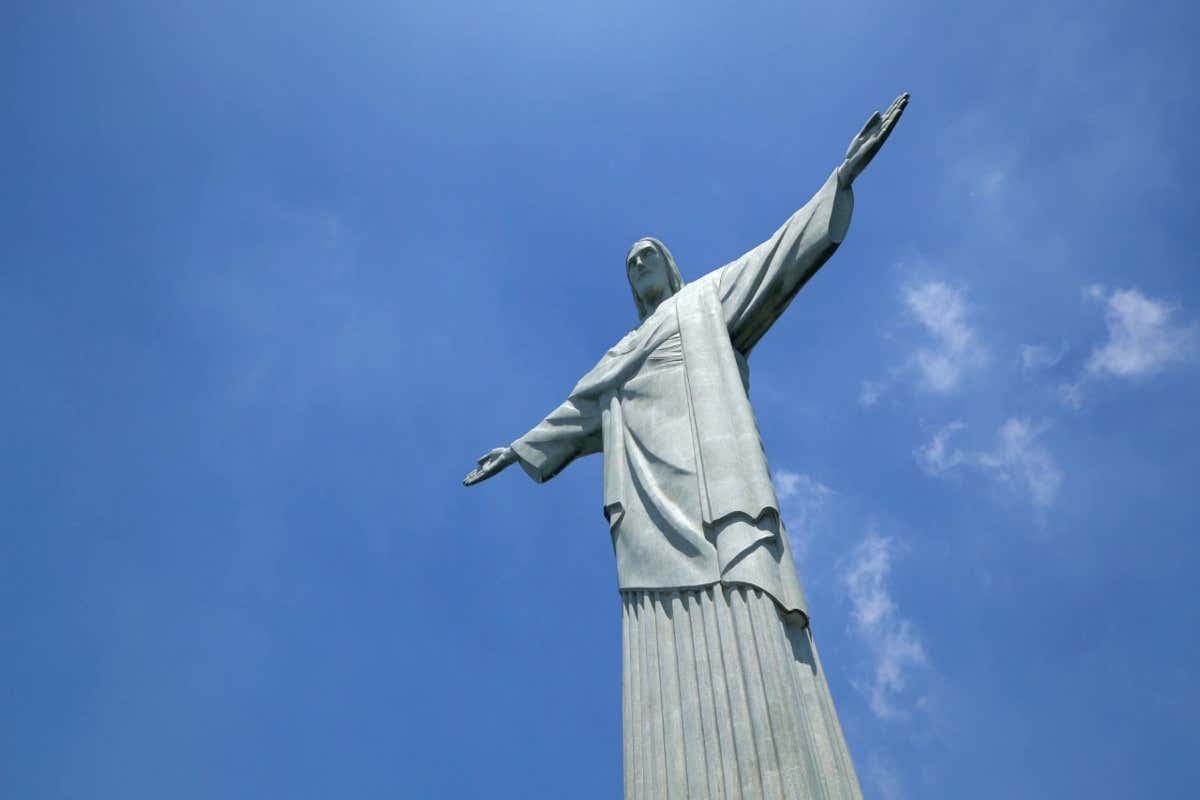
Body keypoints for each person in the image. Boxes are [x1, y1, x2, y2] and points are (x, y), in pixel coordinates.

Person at [465, 92, 908, 800]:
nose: (640, 258)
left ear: (669, 269)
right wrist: (517, 450)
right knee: (657, 635)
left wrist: (840, 179)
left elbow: (778, 256)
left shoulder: (706, 302)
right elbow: (576, 411)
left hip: (713, 478)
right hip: (648, 506)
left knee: (746, 587)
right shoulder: (617, 354)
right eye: (630, 258)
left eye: (650, 252)